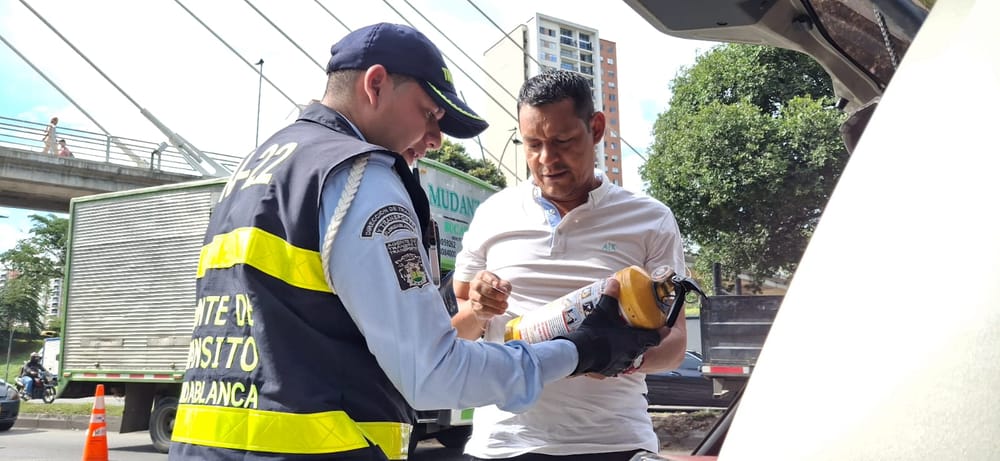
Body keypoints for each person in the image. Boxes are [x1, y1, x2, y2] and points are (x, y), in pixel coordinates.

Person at [169, 23, 662, 461]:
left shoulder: (255, 169)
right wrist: (580, 350)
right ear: (376, 84)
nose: (435, 139)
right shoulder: (359, 174)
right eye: (429, 114)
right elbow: (434, 374)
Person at [450, 71, 689, 460]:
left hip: (614, 442)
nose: (547, 160)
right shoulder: (493, 214)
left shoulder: (650, 219)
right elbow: (455, 337)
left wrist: (622, 357)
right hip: (504, 444)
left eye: (563, 142)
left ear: (595, 128)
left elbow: (676, 344)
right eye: (533, 145)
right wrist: (478, 310)